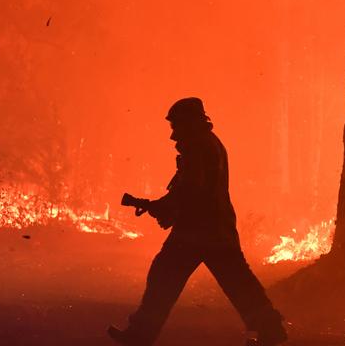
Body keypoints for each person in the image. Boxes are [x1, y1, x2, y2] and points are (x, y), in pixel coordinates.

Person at [108, 97, 286, 346]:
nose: (173, 136)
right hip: (216, 230)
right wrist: (167, 208)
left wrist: (164, 207)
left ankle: (140, 335)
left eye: (175, 127)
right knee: (239, 284)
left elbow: (191, 189)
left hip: (195, 232)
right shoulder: (210, 144)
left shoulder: (196, 147)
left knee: (164, 277)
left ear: (189, 123)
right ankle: (271, 331)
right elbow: (195, 189)